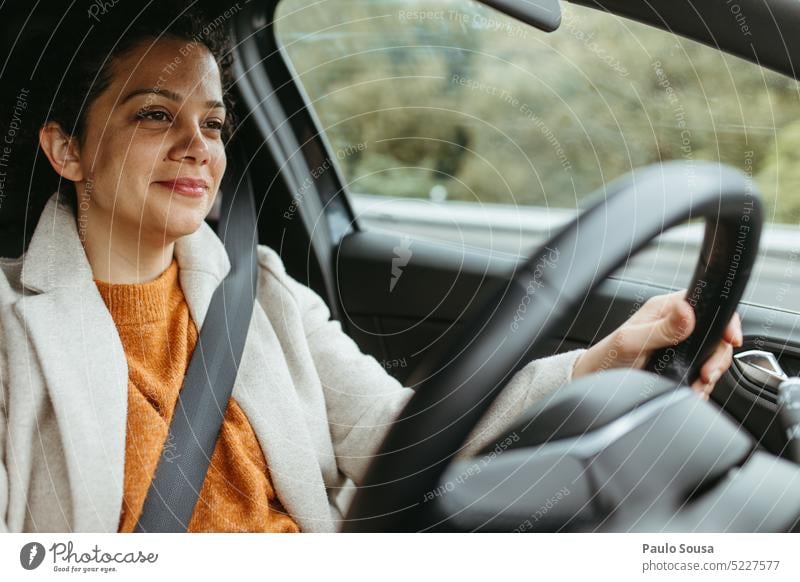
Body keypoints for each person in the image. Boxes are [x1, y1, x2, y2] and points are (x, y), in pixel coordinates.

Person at [0, 4, 741, 533]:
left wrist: (599, 365)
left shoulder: (258, 290)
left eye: (215, 123)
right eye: (156, 115)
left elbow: (394, 432)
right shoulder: (11, 329)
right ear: (66, 149)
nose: (199, 146)